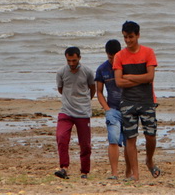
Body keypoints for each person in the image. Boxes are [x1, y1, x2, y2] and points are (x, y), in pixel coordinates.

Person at [113, 20, 160, 181]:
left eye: (131, 37)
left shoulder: (148, 52)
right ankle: (135, 174)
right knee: (130, 138)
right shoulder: (119, 56)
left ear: (138, 35)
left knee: (151, 135)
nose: (128, 40)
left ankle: (149, 160)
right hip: (127, 101)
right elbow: (119, 82)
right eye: (125, 37)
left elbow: (150, 76)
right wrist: (141, 79)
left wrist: (130, 77)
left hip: (146, 101)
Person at [54, 46, 96, 180]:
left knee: (85, 144)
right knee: (61, 137)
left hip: (83, 112)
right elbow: (61, 89)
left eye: (74, 60)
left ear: (79, 58)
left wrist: (84, 101)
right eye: (69, 61)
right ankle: (64, 168)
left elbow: (92, 89)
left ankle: (84, 171)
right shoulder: (61, 72)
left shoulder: (88, 72)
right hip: (66, 111)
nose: (71, 64)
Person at [96, 39, 129, 180]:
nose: (113, 60)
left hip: (128, 108)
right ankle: (114, 173)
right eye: (110, 57)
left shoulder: (127, 66)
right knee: (113, 139)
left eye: (115, 57)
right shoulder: (102, 69)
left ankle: (129, 173)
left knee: (129, 142)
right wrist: (107, 108)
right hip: (113, 109)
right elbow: (99, 92)